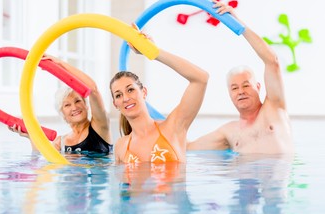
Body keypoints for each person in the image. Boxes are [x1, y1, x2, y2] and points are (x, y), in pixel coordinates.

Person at [187, 0, 294, 154]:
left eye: (246, 85)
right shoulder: (228, 132)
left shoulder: (274, 108)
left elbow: (272, 61)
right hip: (242, 177)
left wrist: (239, 25)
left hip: (277, 176)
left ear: (258, 87)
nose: (241, 91)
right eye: (235, 88)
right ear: (230, 94)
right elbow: (187, 148)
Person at [110, 25, 209, 164]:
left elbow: (201, 78)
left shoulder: (173, 127)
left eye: (130, 90)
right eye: (118, 95)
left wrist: (154, 52)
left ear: (144, 92)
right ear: (115, 104)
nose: (126, 98)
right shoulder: (120, 147)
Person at [9, 55, 112, 155]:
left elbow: (93, 90)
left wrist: (60, 64)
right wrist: (31, 136)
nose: (74, 107)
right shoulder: (60, 143)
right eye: (67, 105)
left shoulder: (100, 126)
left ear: (86, 105)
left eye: (78, 101)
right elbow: (40, 159)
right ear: (62, 113)